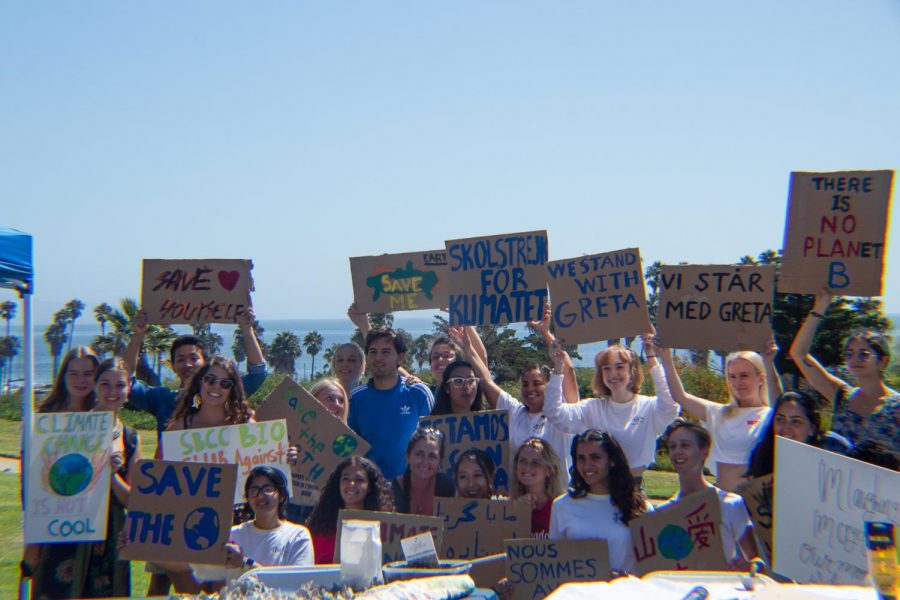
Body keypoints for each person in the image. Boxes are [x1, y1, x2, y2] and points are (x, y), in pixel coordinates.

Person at [26, 348, 127, 600]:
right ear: (63, 376)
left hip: (102, 532)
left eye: (88, 374)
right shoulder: (46, 421)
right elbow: (31, 485)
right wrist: (32, 541)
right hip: (57, 527)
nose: (81, 380)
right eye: (74, 373)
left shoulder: (111, 421)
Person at [453, 306, 578, 488]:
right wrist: (467, 348)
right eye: (525, 384)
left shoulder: (563, 413)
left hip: (558, 501)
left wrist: (545, 333)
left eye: (536, 384)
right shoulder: (515, 412)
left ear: (549, 385)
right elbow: (487, 381)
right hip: (522, 504)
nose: (530, 389)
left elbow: (568, 370)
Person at [544, 334, 679, 484]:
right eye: (606, 368)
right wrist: (558, 367)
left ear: (632, 371)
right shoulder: (591, 408)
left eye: (619, 367)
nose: (613, 373)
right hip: (598, 489)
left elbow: (671, 405)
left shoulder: (649, 407)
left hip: (633, 489)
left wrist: (651, 357)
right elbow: (554, 412)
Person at [652, 336, 781, 491]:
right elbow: (681, 397)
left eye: (744, 375)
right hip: (722, 502)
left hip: (756, 505)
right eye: (732, 376)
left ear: (761, 378)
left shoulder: (770, 416)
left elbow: (780, 401)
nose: (737, 382)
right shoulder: (718, 413)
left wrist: (768, 362)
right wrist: (666, 358)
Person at [162, 467, 314, 593]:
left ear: (281, 496)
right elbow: (192, 565)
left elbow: (298, 585)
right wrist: (151, 549)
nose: (260, 496)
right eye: (254, 491)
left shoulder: (298, 536)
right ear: (247, 498)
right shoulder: (231, 535)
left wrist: (244, 563)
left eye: (268, 489)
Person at [124, 308, 267, 437]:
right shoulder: (162, 400)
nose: (187, 364)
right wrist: (138, 335)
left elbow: (258, 373)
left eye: (194, 358)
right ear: (172, 366)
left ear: (205, 364)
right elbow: (125, 382)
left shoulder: (223, 390)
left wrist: (247, 329)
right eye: (181, 359)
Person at [789, 291, 899, 459]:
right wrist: (819, 308)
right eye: (849, 354)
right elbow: (799, 354)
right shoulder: (842, 397)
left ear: (882, 361)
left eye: (864, 354)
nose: (855, 359)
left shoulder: (896, 407)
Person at [659, 419, 757, 569]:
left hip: (721, 588)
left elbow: (755, 561)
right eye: (672, 446)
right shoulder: (663, 512)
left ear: (704, 451)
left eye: (685, 445)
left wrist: (748, 566)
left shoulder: (730, 504)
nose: (677, 451)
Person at [549, 430, 652, 573]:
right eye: (581, 458)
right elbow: (553, 566)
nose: (587, 466)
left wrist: (627, 580)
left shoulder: (641, 507)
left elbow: (652, 567)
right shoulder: (561, 506)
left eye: (595, 457)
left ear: (612, 460)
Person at [348, 327, 434, 479]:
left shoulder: (419, 394)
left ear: (400, 358)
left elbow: (436, 443)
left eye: (386, 352)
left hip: (411, 488)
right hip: (371, 490)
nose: (378, 358)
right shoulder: (355, 399)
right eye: (373, 352)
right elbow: (348, 447)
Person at [306, 456, 395, 563]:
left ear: (370, 486)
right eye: (346, 479)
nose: (351, 484)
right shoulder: (321, 527)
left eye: (359, 480)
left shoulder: (383, 527)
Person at [746, 390, 851, 479]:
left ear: (812, 429)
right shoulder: (763, 455)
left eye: (796, 421)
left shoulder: (833, 451)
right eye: (780, 419)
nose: (786, 428)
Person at [391, 427, 455, 515]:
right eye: (419, 454)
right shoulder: (393, 490)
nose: (425, 462)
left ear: (440, 461)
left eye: (432, 456)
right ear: (408, 456)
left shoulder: (448, 488)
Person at [512, 438, 563, 535]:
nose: (527, 468)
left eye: (535, 463)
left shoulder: (560, 507)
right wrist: (517, 512)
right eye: (523, 461)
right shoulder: (508, 508)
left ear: (549, 470)